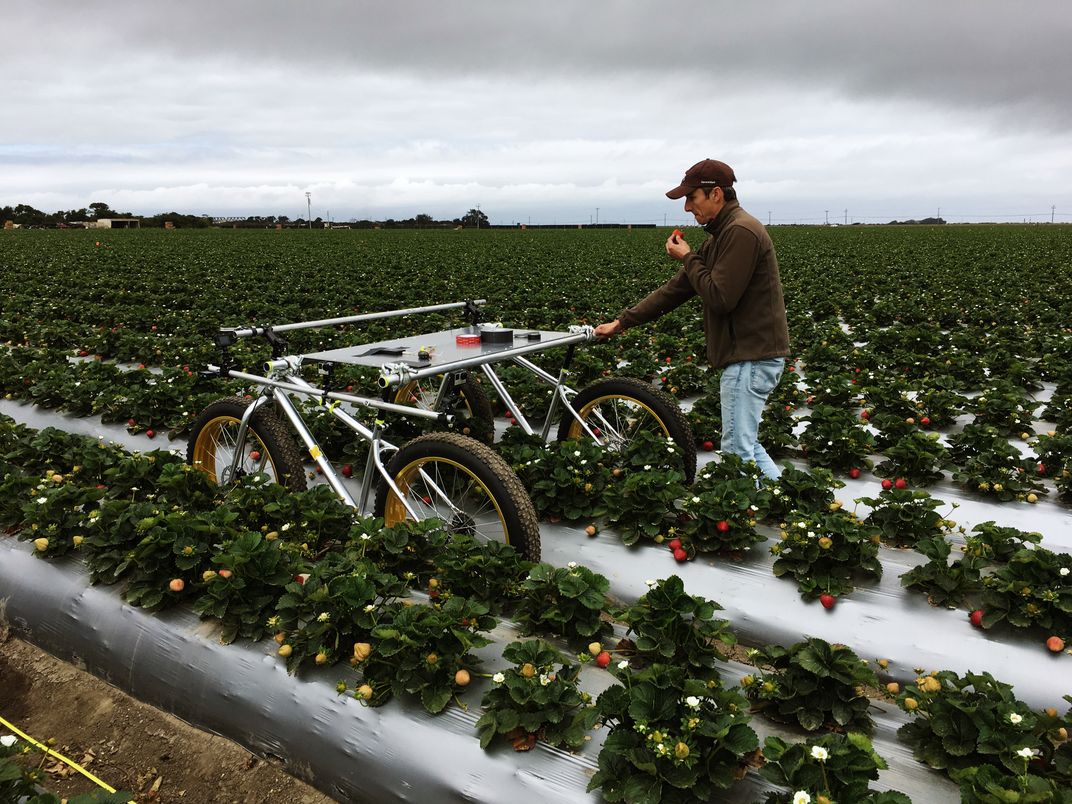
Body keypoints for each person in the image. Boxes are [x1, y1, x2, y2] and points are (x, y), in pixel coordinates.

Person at [593, 158, 790, 479]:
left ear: (716, 195)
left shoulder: (740, 231)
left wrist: (688, 257)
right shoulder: (722, 234)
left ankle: (766, 512)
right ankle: (783, 505)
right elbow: (677, 289)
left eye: (691, 198)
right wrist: (623, 321)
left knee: (738, 451)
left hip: (750, 357)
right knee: (746, 446)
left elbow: (721, 297)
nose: (686, 208)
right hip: (748, 356)